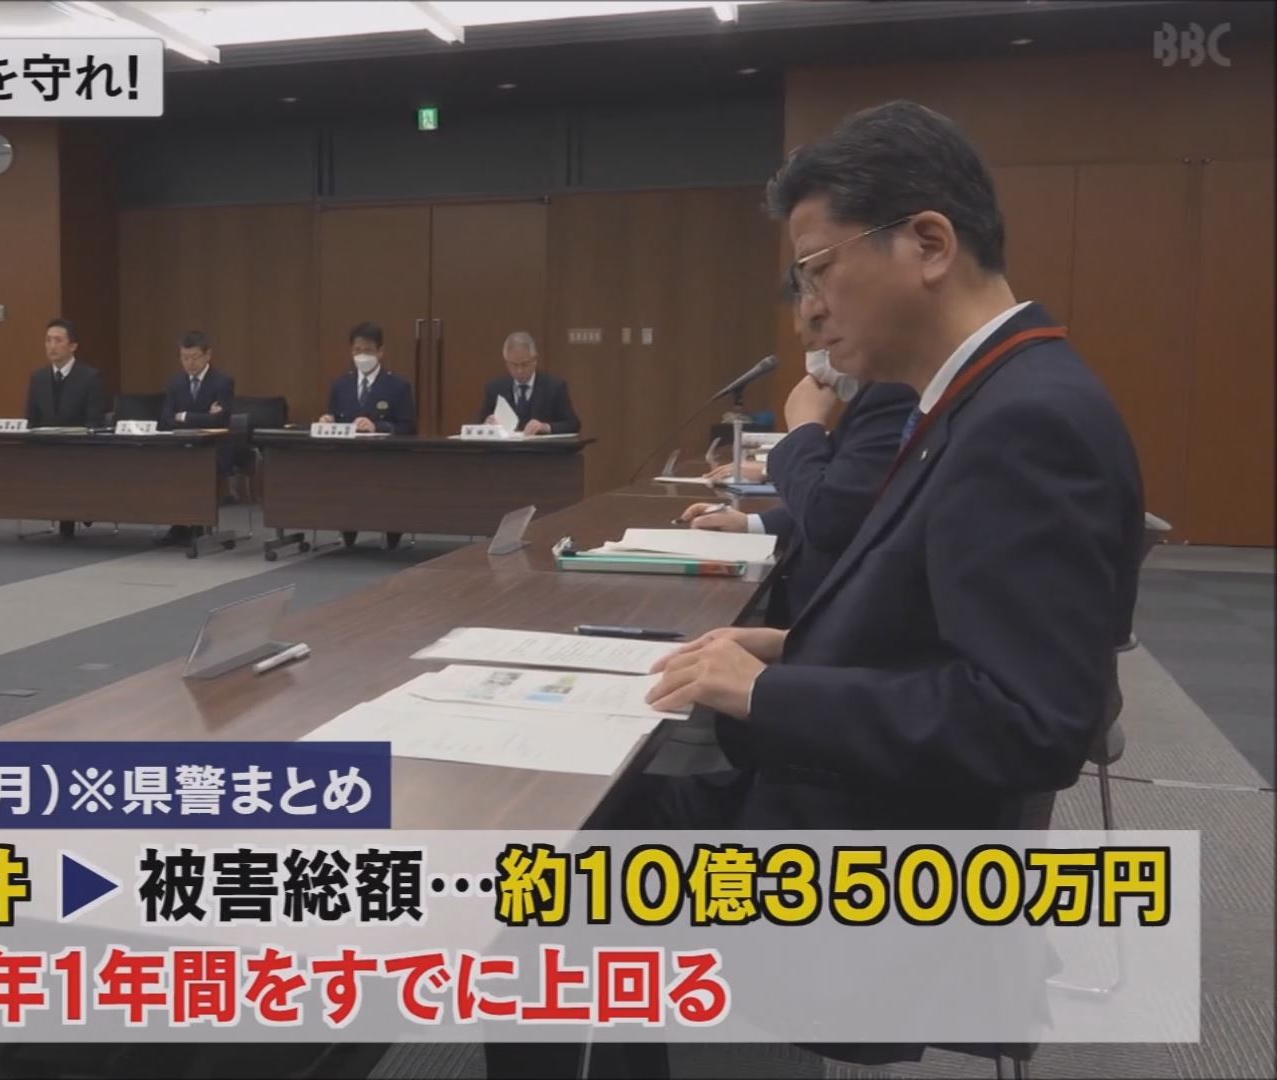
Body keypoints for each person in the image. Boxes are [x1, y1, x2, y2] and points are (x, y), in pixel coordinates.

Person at [621, 101, 1145, 1071]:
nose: (808, 310)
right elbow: (947, 631)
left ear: (929, 244)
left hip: (874, 876)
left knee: (556, 855)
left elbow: (1030, 720)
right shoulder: (983, 397)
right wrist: (792, 648)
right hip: (867, 816)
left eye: (818, 270)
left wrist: (770, 693)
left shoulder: (1026, 422)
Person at [680, 301, 916, 624]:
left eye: (821, 333)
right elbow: (853, 500)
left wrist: (804, 426)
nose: (817, 353)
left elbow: (830, 515)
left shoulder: (894, 392)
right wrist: (751, 524)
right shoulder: (875, 392)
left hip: (837, 621)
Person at [318, 321, 416, 550]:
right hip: (347, 458)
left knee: (386, 489)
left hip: (385, 460)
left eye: (368, 350)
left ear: (380, 352)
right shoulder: (341, 384)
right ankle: (348, 533)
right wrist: (327, 420)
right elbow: (335, 416)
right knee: (344, 484)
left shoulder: (397, 385)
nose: (362, 356)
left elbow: (408, 426)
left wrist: (377, 426)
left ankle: (392, 535)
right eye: (357, 350)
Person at [26, 318, 108, 540]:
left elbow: (95, 421)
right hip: (46, 448)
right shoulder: (38, 378)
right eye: (48, 340)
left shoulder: (89, 377)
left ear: (73, 346)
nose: (51, 346)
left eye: (58, 340)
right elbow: (31, 420)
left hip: (78, 449)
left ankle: (75, 512)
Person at [158, 330, 236, 546]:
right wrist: (203, 416)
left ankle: (196, 523)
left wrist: (184, 416)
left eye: (194, 357)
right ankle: (180, 523)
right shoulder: (175, 383)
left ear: (207, 355)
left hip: (214, 447)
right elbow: (166, 419)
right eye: (184, 358)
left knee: (195, 465)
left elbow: (219, 421)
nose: (190, 363)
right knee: (168, 464)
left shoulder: (222, 382)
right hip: (182, 445)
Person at [474, 331, 580, 435]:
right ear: (506, 363)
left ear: (534, 360)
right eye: (514, 365)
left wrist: (545, 427)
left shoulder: (554, 387)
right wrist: (487, 426)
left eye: (524, 364)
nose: (519, 370)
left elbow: (573, 424)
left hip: (541, 446)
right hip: (507, 446)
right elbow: (478, 425)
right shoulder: (495, 388)